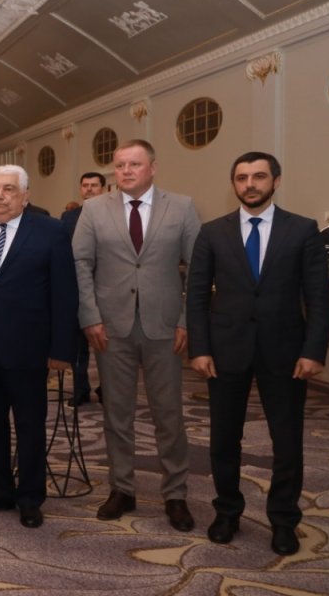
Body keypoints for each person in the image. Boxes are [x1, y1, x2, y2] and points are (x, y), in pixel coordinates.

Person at [186, 152, 329, 556]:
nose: (250, 184)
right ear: (234, 183)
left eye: (259, 176)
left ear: (275, 181)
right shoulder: (212, 232)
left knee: (286, 441)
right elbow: (196, 296)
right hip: (225, 351)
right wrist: (200, 348)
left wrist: (313, 350)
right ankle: (227, 512)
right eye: (242, 177)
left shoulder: (302, 230)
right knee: (223, 439)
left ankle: (283, 520)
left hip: (285, 352)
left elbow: (318, 297)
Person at [73, 139, 202, 531]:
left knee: (169, 414)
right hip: (111, 329)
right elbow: (81, 263)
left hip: (165, 327)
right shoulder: (94, 209)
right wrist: (90, 316)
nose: (125, 171)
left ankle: (175, 494)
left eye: (134, 164)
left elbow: (198, 269)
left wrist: (186, 321)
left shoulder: (181, 207)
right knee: (117, 413)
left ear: (153, 167)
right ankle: (122, 488)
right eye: (119, 165)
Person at [0, 166, 77, 528]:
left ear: (25, 196)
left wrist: (61, 349)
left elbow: (65, 292)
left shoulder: (51, 231)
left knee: (29, 425)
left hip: (29, 346)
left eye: (9, 189)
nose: (0, 196)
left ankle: (30, 497)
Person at [61, 172, 107, 406]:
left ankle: (107, 388)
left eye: (94, 185)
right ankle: (81, 389)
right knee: (78, 344)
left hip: (108, 287)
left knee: (106, 344)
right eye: (85, 185)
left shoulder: (113, 213)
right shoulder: (69, 217)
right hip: (77, 286)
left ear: (103, 189)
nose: (89, 189)